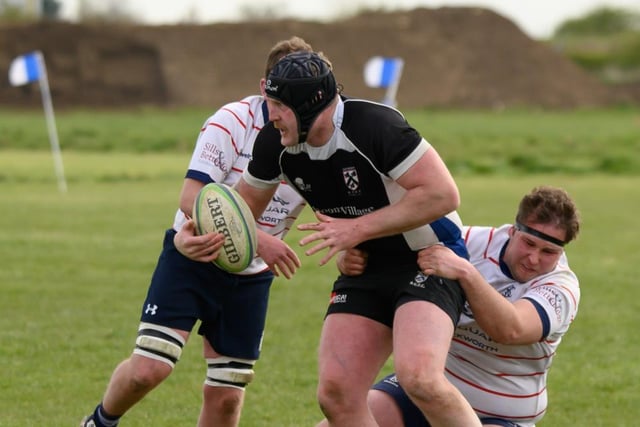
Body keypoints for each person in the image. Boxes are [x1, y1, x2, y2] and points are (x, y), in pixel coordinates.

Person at [231, 50, 482, 426]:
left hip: (429, 258)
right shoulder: (275, 144)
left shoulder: (374, 125)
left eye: (279, 105)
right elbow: (240, 208)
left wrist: (355, 231)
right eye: (270, 103)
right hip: (365, 266)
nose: (271, 116)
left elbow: (442, 194)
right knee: (336, 394)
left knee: (421, 380)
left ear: (309, 105)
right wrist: (199, 223)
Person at [80, 36, 314, 427]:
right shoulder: (233, 121)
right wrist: (260, 240)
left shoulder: (317, 139)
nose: (288, 105)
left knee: (226, 397)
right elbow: (192, 196)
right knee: (148, 370)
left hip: (250, 278)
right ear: (263, 87)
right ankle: (99, 422)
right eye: (280, 93)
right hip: (192, 258)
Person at [365, 185, 581, 427]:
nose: (534, 258)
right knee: (345, 417)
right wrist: (356, 257)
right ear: (512, 231)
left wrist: (466, 273)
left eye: (548, 251)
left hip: (501, 415)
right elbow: (396, 254)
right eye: (528, 243)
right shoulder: (471, 242)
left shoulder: (562, 289)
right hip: (428, 390)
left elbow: (511, 329)